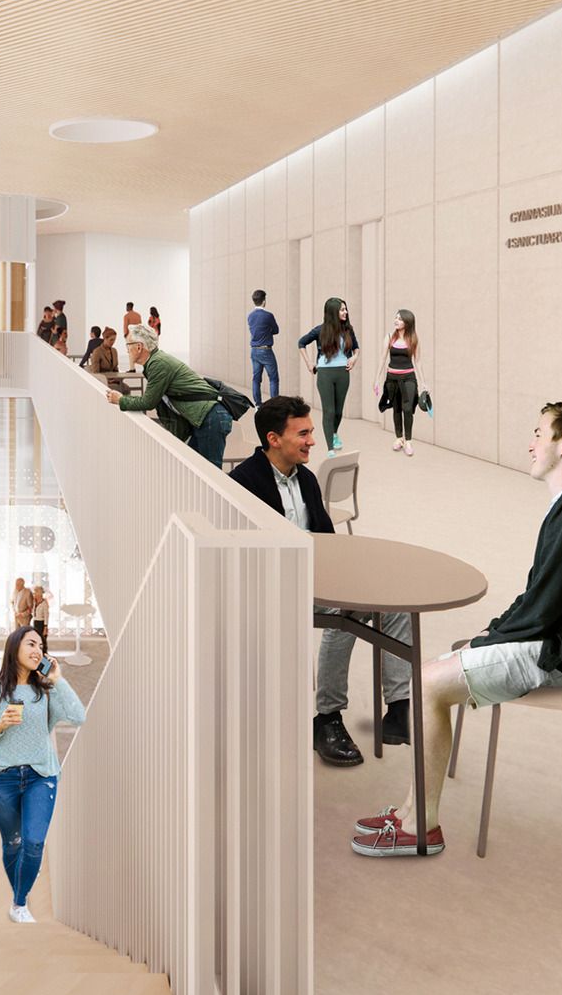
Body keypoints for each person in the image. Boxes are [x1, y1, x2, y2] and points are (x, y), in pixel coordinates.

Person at [354, 403, 562, 858]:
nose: (530, 443)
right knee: (439, 666)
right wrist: (497, 629)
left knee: (426, 683)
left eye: (539, 432)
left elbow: (543, 606)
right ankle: (408, 813)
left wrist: (490, 638)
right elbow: (552, 588)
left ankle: (421, 827)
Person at [230, 397, 413, 766]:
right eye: (303, 433)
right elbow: (241, 557)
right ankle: (327, 717)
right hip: (271, 586)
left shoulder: (307, 479)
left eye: (311, 432)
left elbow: (326, 541)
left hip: (314, 577)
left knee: (394, 602)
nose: (313, 440)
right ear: (273, 438)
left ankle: (399, 709)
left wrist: (354, 575)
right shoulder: (242, 484)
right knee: (343, 614)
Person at [0, 626, 85, 924]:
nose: (38, 650)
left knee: (34, 842)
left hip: (41, 776)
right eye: (31, 643)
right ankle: (18, 894)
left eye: (41, 646)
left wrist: (58, 680)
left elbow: (79, 716)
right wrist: (0, 726)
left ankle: (19, 903)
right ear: (14, 648)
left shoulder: (46, 692)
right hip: (2, 781)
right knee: (13, 843)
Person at [106, 325, 231, 467]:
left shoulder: (158, 363)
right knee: (195, 469)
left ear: (139, 347)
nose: (127, 350)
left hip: (210, 417)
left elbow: (148, 402)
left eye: (128, 345)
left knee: (210, 474)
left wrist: (121, 400)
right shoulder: (156, 361)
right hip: (206, 417)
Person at [295, 298, 360, 451]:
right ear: (333, 312)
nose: (345, 312)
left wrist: (354, 357)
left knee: (338, 411)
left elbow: (356, 348)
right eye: (342, 309)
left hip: (343, 373)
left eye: (346, 309)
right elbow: (301, 343)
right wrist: (309, 363)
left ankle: (334, 433)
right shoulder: (320, 330)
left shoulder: (348, 329)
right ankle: (330, 447)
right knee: (329, 411)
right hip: (325, 373)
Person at [381, 308, 422, 455]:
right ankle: (399, 438)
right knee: (396, 408)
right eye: (396, 318)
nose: (396, 320)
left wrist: (423, 383)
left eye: (400, 318)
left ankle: (408, 441)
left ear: (407, 322)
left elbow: (417, 361)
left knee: (407, 409)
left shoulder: (413, 339)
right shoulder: (389, 337)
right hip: (392, 378)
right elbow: (382, 359)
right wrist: (376, 379)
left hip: (409, 377)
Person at [247, 289, 281, 405]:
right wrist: (268, 331)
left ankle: (258, 404)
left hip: (254, 351)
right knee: (273, 378)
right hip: (266, 351)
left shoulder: (250, 316)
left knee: (256, 379)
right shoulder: (268, 316)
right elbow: (276, 330)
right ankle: (274, 405)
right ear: (264, 301)